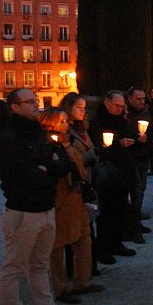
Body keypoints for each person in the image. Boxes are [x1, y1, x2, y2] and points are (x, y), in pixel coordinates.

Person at [0, 88, 80, 305]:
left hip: (45, 207)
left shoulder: (40, 133)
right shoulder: (9, 138)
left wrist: (49, 168)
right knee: (14, 268)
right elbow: (23, 175)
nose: (36, 105)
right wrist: (48, 170)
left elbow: (63, 163)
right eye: (29, 102)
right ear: (15, 107)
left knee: (40, 263)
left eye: (35, 100)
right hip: (23, 210)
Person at [39, 108, 101, 304]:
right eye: (63, 121)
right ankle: (60, 287)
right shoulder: (48, 145)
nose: (67, 124)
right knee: (57, 245)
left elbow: (79, 168)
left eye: (66, 120)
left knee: (84, 239)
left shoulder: (68, 142)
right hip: (60, 200)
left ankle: (83, 280)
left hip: (76, 198)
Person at [89, 90, 139, 265]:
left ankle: (116, 243)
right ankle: (104, 248)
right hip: (107, 172)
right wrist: (119, 144)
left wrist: (138, 138)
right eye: (117, 105)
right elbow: (99, 147)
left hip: (123, 171)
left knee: (120, 210)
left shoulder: (122, 120)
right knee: (106, 213)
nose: (120, 109)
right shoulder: (97, 122)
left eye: (122, 106)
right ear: (107, 103)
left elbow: (130, 137)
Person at [59, 92, 100, 277]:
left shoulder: (83, 129)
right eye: (78, 107)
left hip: (88, 181)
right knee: (75, 230)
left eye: (84, 108)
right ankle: (75, 272)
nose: (82, 112)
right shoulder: (66, 132)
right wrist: (91, 155)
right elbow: (69, 160)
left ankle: (86, 271)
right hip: (74, 185)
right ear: (68, 108)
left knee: (87, 228)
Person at [125, 87, 153, 243]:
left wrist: (147, 139)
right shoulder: (126, 115)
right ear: (130, 99)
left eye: (143, 98)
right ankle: (132, 226)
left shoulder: (147, 113)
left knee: (140, 190)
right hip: (131, 158)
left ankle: (136, 221)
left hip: (143, 156)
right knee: (133, 192)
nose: (142, 101)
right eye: (138, 99)